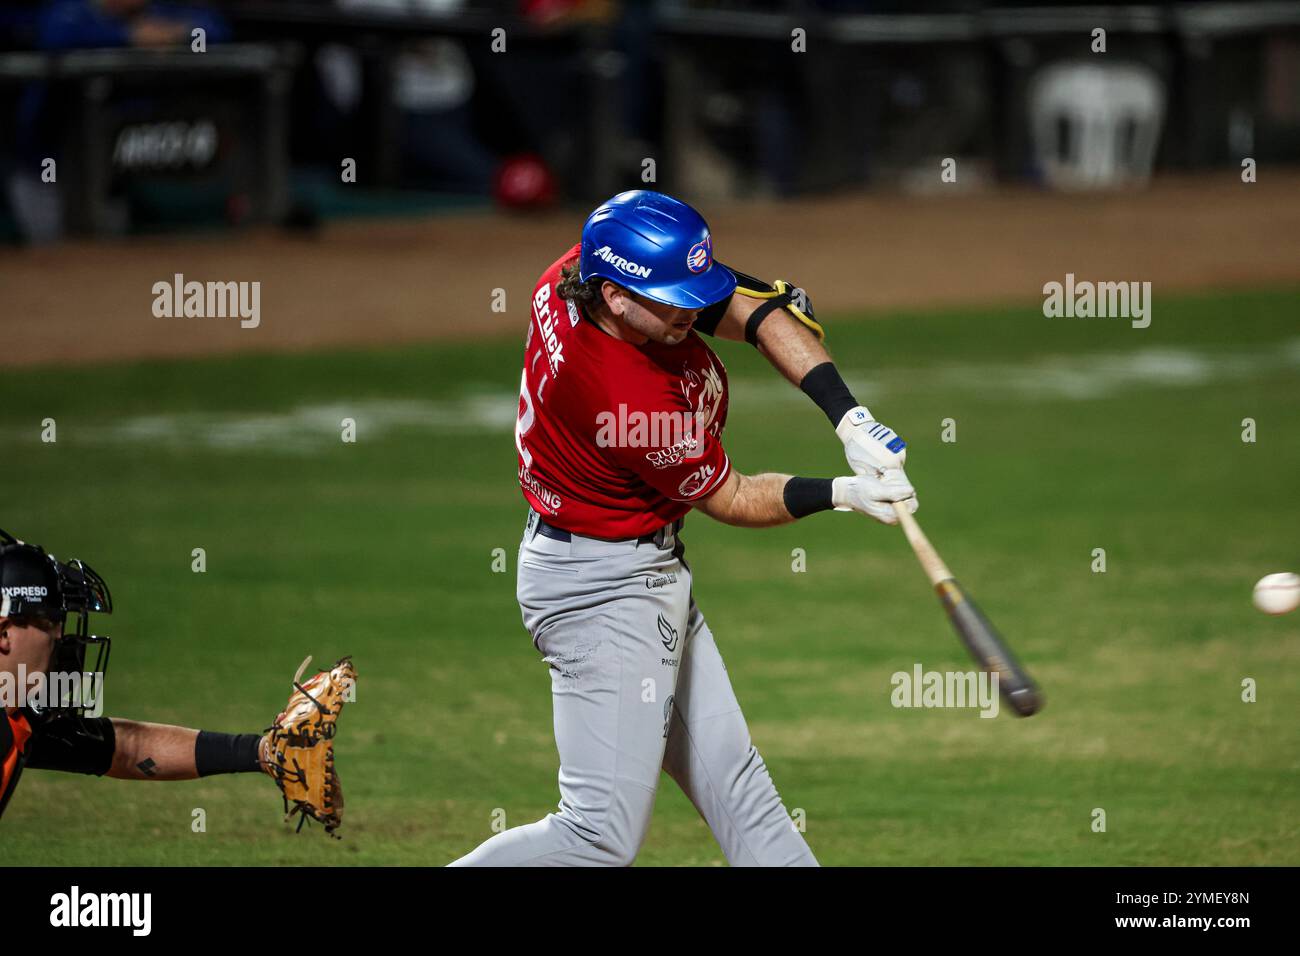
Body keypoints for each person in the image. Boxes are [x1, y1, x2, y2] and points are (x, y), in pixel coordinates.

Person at [451, 189, 917, 866]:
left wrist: (848, 418)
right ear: (615, 297)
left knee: (735, 781)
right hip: (603, 593)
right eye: (673, 297)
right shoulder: (626, 400)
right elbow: (730, 497)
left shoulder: (572, 275)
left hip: (622, 566)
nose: (690, 311)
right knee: (596, 837)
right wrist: (844, 493)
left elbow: (749, 309)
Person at [0, 529, 313, 823]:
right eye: (50, 624)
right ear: (3, 632)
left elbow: (127, 748)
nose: (62, 640)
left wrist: (262, 753)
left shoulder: (19, 716)